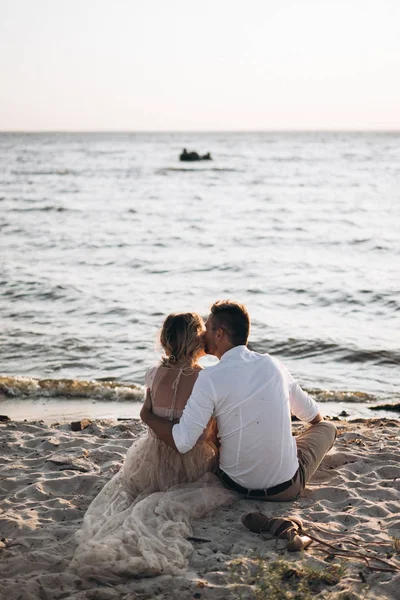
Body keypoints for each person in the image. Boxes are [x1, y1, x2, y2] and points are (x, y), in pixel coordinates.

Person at [71, 312, 233, 581]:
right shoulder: (204, 378)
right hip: (190, 463)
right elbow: (207, 433)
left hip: (152, 460)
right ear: (195, 340)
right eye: (202, 331)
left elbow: (151, 417)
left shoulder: (153, 374)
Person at [141, 300, 337, 502]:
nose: (201, 335)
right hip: (284, 490)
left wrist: (147, 416)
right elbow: (313, 416)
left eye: (206, 328)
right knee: (327, 427)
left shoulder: (209, 378)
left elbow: (182, 442)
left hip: (234, 485)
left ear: (219, 334)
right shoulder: (273, 365)